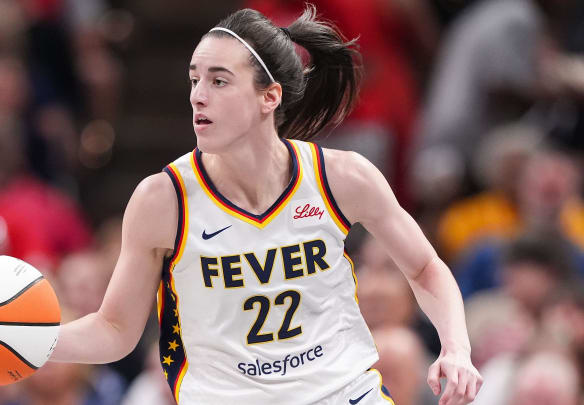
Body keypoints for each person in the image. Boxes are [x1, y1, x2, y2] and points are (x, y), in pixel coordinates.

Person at [50, 6, 482, 405]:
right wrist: (30, 341)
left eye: (218, 80)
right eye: (194, 78)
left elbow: (426, 268)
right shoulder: (163, 199)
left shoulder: (340, 177)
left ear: (269, 97)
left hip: (343, 394)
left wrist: (457, 349)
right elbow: (115, 330)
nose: (198, 95)